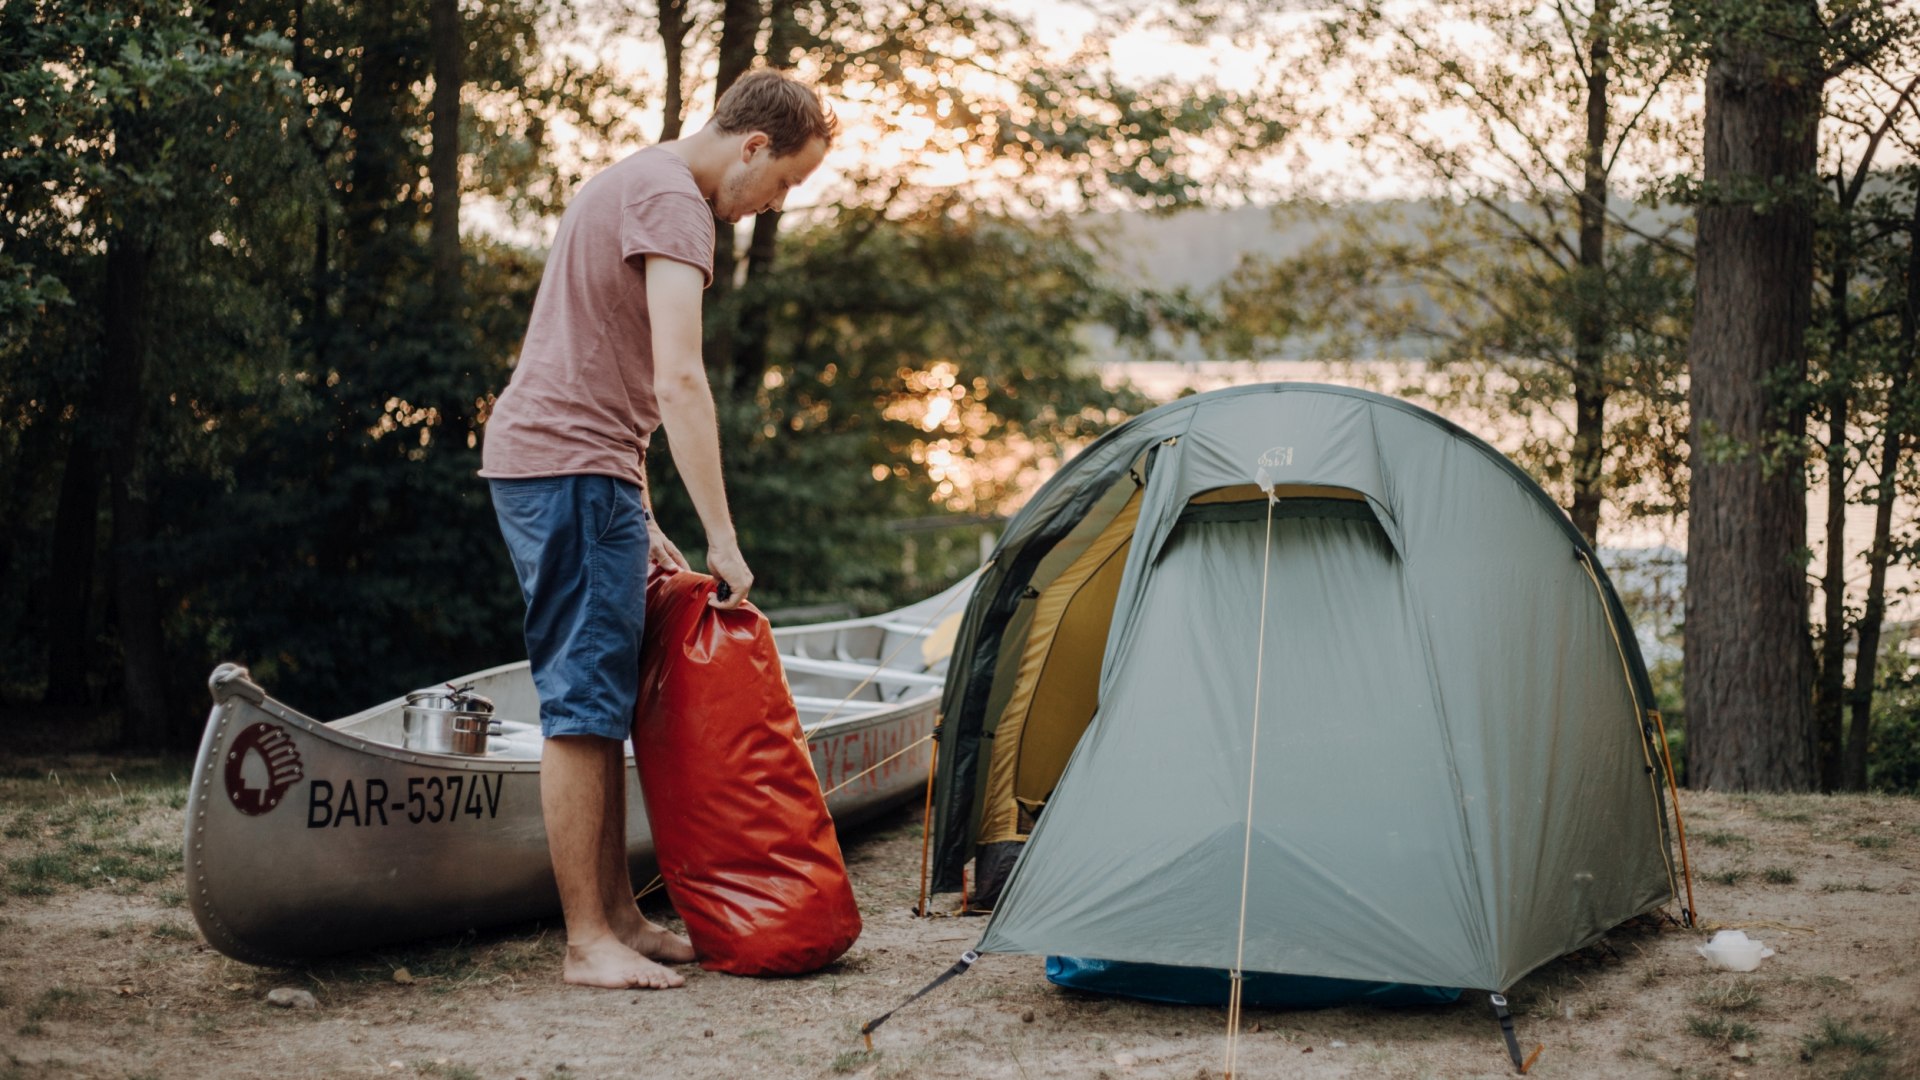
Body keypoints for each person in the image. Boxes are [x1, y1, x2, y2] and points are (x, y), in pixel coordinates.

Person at [479, 70, 836, 990]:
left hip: (576, 467)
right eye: (786, 182)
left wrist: (640, 512)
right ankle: (585, 941)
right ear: (752, 146)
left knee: (602, 693)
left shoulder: (630, 179)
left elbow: (599, 365)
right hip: (569, 469)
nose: (771, 204)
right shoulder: (678, 205)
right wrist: (721, 532)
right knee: (582, 706)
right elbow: (679, 378)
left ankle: (621, 920)